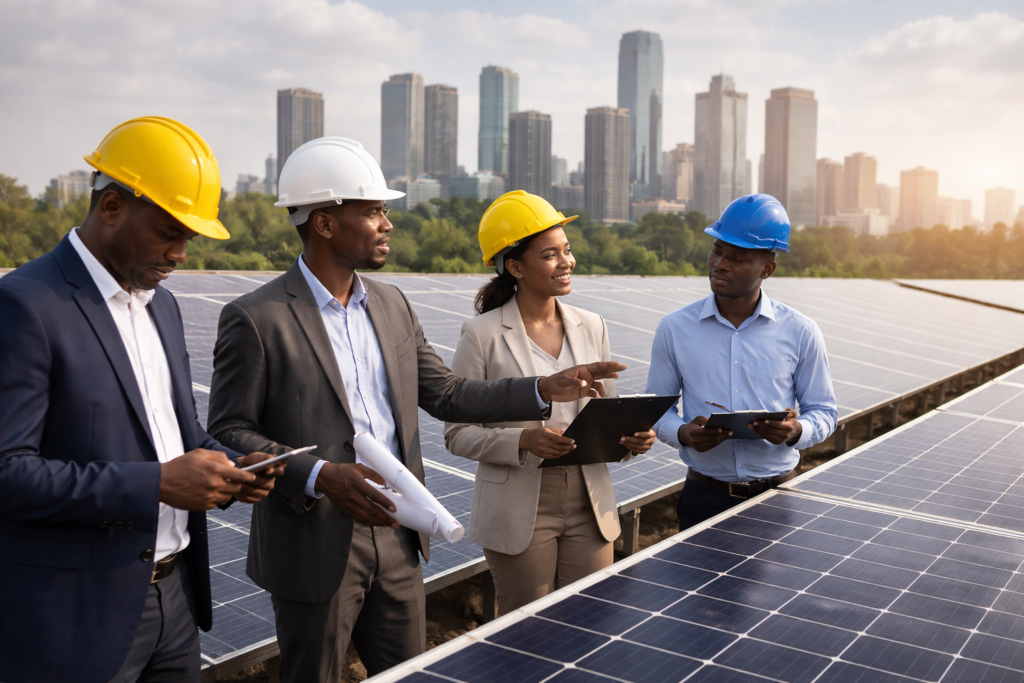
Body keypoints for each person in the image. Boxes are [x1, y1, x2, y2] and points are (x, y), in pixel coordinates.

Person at [206, 138, 625, 683]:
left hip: (400, 532)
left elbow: (449, 394)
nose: (387, 223)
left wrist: (544, 387)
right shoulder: (257, 317)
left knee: (411, 675)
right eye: (373, 211)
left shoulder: (391, 304)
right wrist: (319, 476)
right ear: (326, 223)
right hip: (315, 541)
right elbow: (227, 431)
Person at [0, 117, 284, 683]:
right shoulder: (26, 306)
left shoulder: (161, 306)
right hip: (74, 622)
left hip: (173, 604)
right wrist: (156, 483)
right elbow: (8, 472)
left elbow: (177, 437)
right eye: (168, 233)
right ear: (111, 208)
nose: (181, 254)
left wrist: (229, 468)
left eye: (190, 238)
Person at [444, 191, 656, 615]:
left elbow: (605, 416)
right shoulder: (482, 334)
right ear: (515, 267)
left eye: (567, 250)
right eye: (550, 255)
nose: (566, 262)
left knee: (589, 623)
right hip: (521, 508)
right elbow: (456, 434)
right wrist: (523, 440)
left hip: (589, 503)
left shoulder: (591, 325)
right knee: (527, 634)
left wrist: (632, 439)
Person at [646, 193, 837, 530]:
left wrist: (796, 431)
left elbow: (824, 412)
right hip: (702, 498)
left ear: (767, 268)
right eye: (717, 251)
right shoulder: (674, 328)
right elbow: (657, 410)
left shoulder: (801, 331)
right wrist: (685, 434)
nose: (720, 263)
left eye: (737, 257)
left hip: (779, 497)